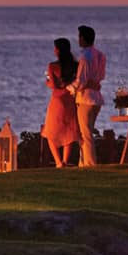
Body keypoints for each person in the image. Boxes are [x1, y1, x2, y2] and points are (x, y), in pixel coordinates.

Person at [67, 25, 107, 167]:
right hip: (96, 99)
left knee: (85, 133)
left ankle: (89, 164)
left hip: (86, 98)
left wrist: (68, 88)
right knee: (87, 131)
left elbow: (81, 81)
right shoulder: (100, 56)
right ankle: (83, 163)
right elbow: (101, 76)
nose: (78, 39)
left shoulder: (85, 57)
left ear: (83, 38)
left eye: (79, 37)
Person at [41, 38, 80, 167]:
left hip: (57, 99)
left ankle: (58, 162)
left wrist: (47, 82)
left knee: (50, 131)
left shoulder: (52, 66)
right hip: (70, 98)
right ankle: (65, 161)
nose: (54, 50)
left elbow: (53, 85)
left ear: (59, 50)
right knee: (68, 130)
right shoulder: (76, 65)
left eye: (55, 48)